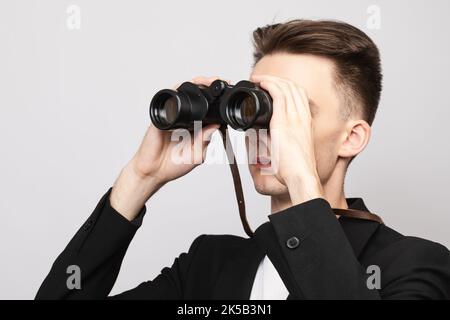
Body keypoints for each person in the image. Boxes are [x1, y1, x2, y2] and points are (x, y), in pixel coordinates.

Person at [36, 19, 450, 300]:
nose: (267, 130)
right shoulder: (208, 268)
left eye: (293, 111)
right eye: (261, 107)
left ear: (352, 138)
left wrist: (304, 186)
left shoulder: (412, 265)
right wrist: (139, 178)